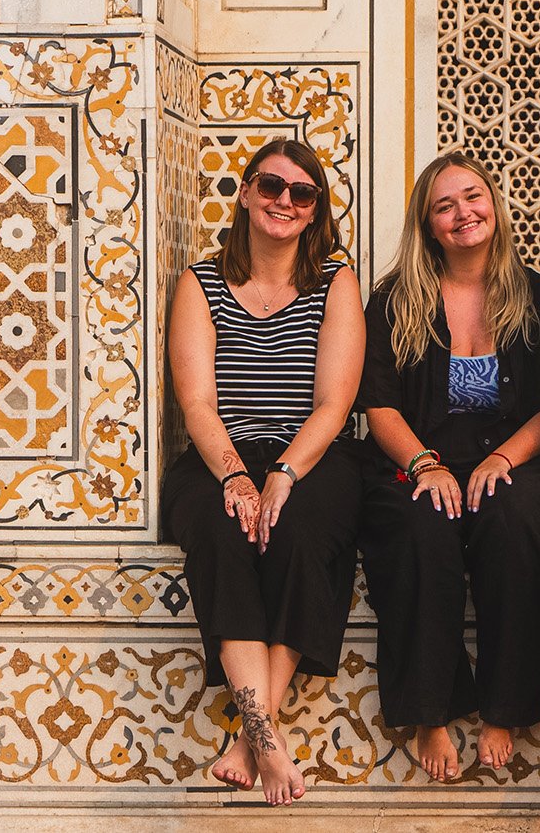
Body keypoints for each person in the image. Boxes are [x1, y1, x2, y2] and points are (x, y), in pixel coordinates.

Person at [163, 138, 364, 805]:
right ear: (246, 192)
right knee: (223, 536)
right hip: (220, 453)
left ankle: (252, 739)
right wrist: (233, 475)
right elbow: (197, 401)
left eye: (302, 193)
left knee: (299, 535)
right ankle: (267, 739)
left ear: (315, 209)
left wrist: (283, 473)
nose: (285, 201)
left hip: (309, 453)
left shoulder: (335, 280)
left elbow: (334, 404)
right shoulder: (201, 283)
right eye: (272, 186)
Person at [357, 152, 540, 783]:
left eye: (472, 197)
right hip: (418, 456)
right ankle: (433, 710)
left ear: (494, 204)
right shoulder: (396, 300)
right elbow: (380, 406)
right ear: (428, 225)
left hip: (514, 455)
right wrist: (424, 464)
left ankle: (503, 708)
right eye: (443, 206)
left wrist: (503, 457)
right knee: (421, 528)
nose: (462, 213)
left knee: (517, 522)